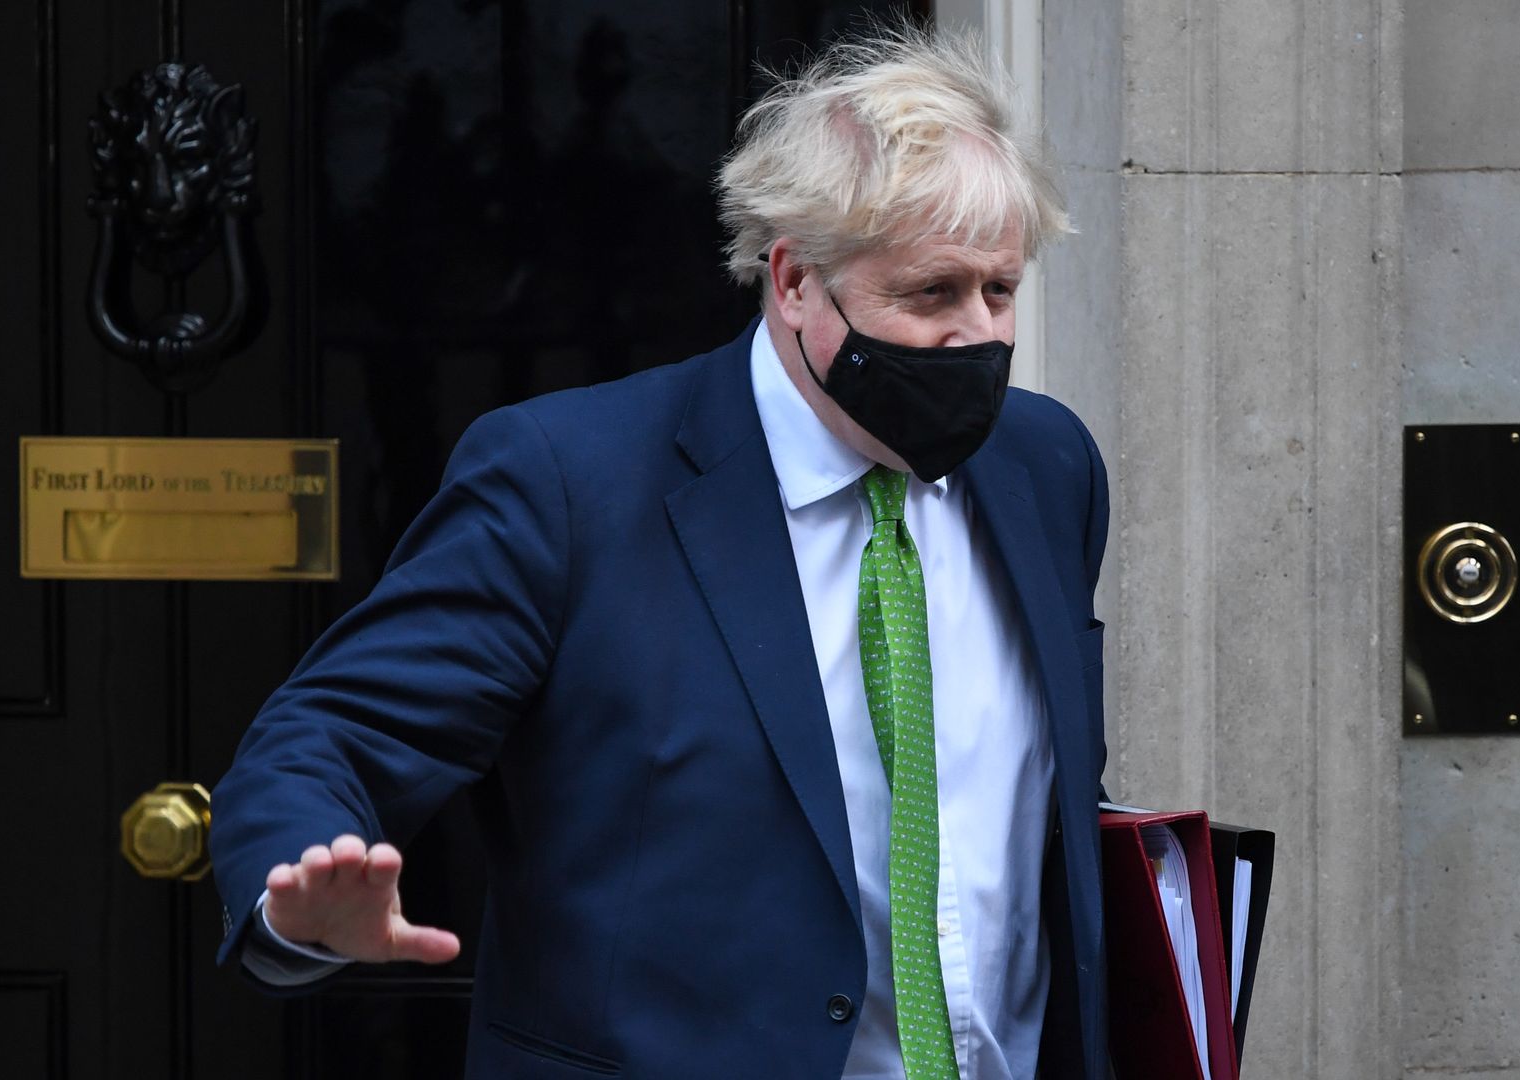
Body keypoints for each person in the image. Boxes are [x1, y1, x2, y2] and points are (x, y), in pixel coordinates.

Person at [211, 23, 1110, 1080]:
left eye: (999, 292)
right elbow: (331, 732)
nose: (980, 337)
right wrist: (302, 896)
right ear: (792, 282)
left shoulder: (1047, 466)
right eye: (931, 295)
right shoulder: (568, 483)